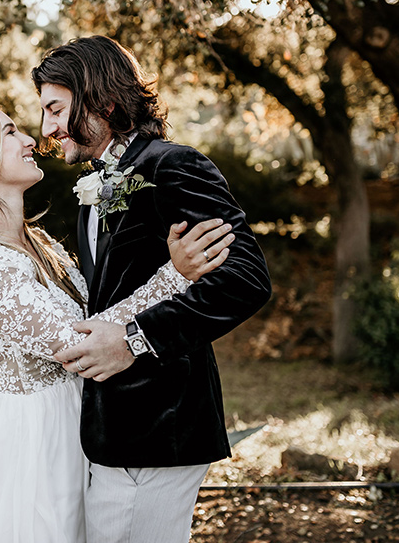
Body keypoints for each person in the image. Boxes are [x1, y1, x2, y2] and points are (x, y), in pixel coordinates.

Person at [0, 103, 233, 542]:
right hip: (33, 444)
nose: (30, 140)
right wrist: (173, 277)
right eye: (10, 132)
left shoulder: (38, 244)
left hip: (80, 426)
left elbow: (95, 319)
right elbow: (80, 345)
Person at [32, 35, 272, 543]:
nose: (47, 129)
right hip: (115, 427)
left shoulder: (172, 166)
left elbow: (246, 279)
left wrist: (134, 338)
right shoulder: (93, 188)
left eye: (56, 109)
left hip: (161, 423)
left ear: (103, 102)